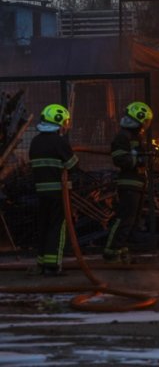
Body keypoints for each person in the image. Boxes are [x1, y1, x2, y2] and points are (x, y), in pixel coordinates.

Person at [28, 104, 79, 276]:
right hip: (58, 193)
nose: (66, 125)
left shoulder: (35, 142)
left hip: (41, 193)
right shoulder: (59, 142)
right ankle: (53, 265)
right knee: (58, 227)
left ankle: (42, 263)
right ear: (58, 121)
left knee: (44, 225)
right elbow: (73, 165)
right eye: (64, 121)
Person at [104, 101, 153, 263]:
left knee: (132, 220)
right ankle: (110, 250)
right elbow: (119, 159)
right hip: (129, 184)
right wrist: (137, 160)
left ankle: (121, 248)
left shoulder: (136, 137)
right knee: (124, 219)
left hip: (138, 184)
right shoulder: (122, 137)